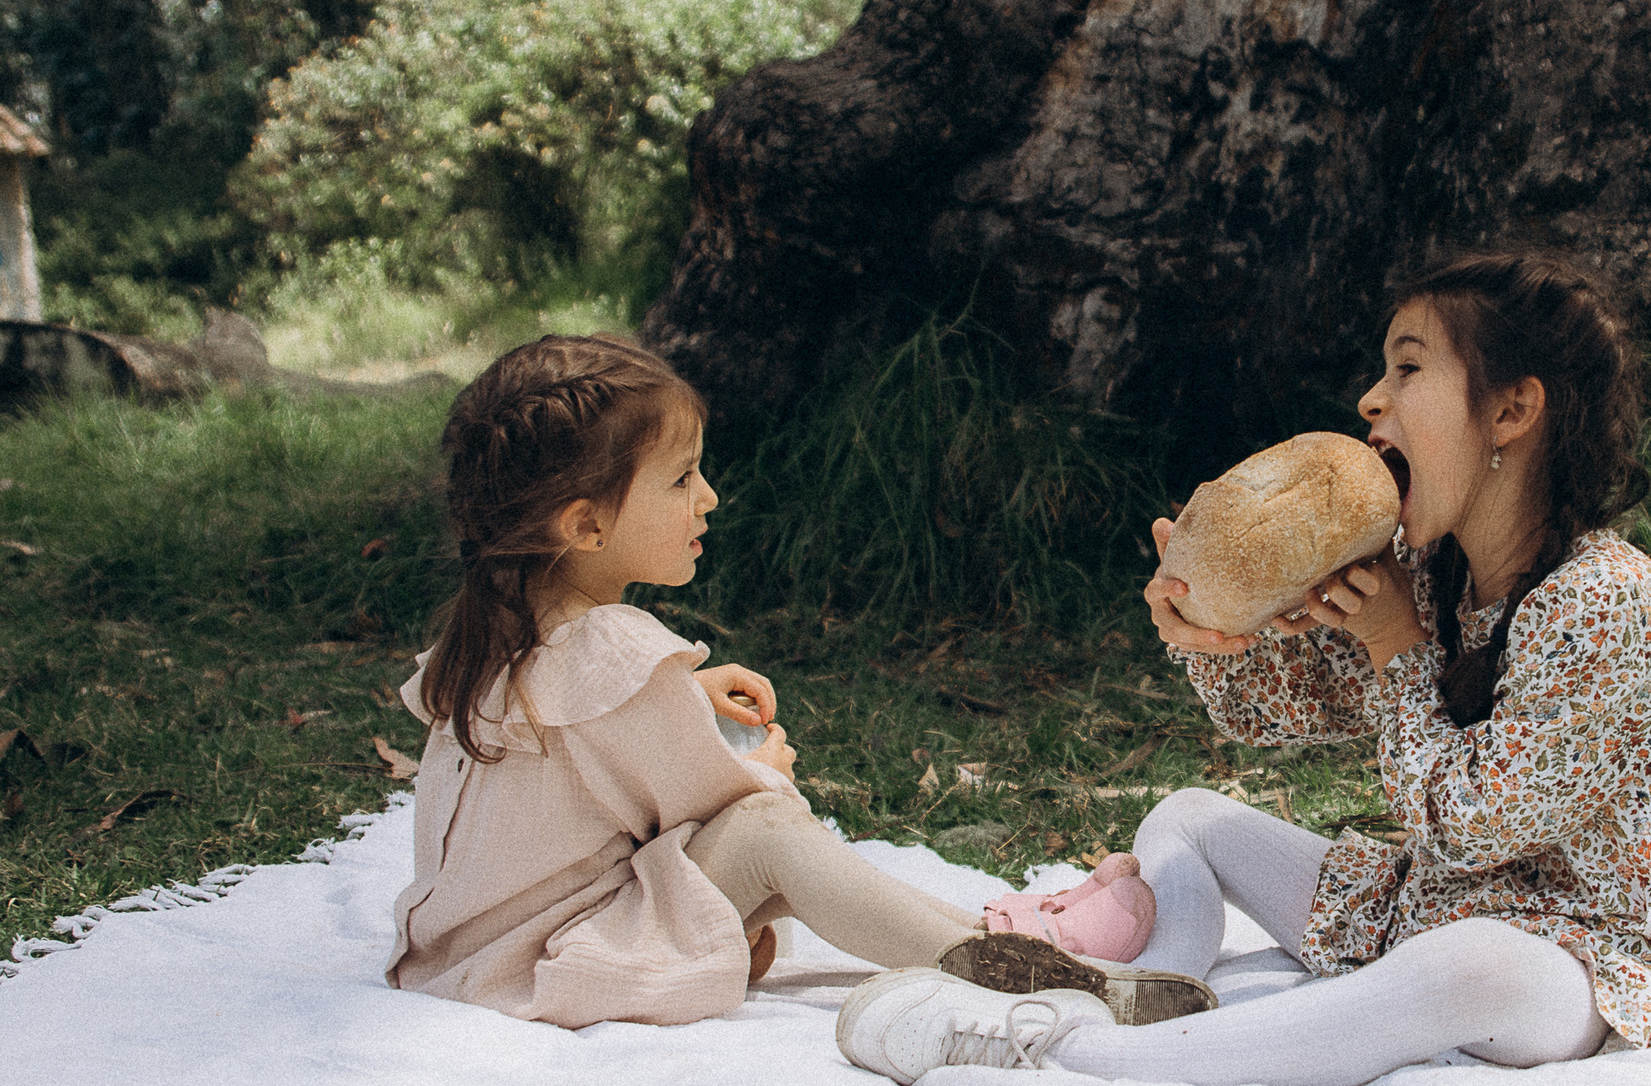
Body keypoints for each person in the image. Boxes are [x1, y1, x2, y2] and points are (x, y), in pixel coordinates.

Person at [835, 252, 1651, 1086]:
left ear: (1511, 410)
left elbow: (1467, 826)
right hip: (1442, 899)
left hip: (1586, 960)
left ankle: (1077, 1051)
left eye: (1408, 367)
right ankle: (1147, 989)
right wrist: (1212, 625)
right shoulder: (1434, 573)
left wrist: (1396, 647)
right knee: (1187, 815)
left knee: (1469, 963)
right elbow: (1274, 708)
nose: (1369, 398)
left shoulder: (1602, 600)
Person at [386, 334, 1196, 1029]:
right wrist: (762, 773)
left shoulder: (492, 633)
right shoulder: (611, 651)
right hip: (552, 959)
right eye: (680, 480)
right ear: (586, 523)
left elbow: (574, 744)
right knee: (771, 832)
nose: (709, 496)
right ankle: (1018, 970)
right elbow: (713, 802)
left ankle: (1003, 936)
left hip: (470, 955)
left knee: (765, 849)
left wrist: (682, 693)